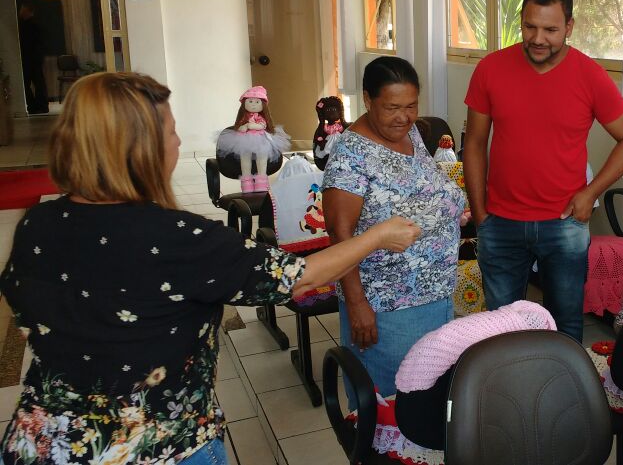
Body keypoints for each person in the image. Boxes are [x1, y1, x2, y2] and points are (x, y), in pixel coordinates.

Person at [0, 72, 420, 465]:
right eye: (170, 132)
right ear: (140, 149)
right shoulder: (177, 238)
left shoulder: (37, 224)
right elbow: (297, 276)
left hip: (42, 443)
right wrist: (376, 237)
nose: (178, 142)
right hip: (160, 447)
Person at [463, 0, 623, 342]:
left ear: (569, 27)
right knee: (501, 330)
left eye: (550, 29)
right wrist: (480, 212)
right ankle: (510, 379)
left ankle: (562, 381)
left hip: (564, 224)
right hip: (500, 222)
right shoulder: (491, 69)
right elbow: (475, 143)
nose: (538, 38)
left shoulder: (590, 76)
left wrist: (591, 192)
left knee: (565, 326)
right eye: (529, 26)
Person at [323, 56, 466, 397]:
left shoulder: (409, 132)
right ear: (367, 99)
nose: (403, 116)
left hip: (435, 294)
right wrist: (357, 305)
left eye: (411, 106)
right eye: (392, 107)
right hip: (388, 308)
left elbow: (420, 187)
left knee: (428, 398)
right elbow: (340, 236)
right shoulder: (350, 155)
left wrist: (449, 210)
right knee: (394, 402)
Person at [17, 1, 48, 114]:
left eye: (22, 9)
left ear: (26, 10)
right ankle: (41, 106)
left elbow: (30, 43)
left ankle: (35, 106)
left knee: (29, 83)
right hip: (35, 58)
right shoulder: (36, 23)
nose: (20, 11)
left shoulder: (29, 25)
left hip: (30, 59)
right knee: (38, 83)